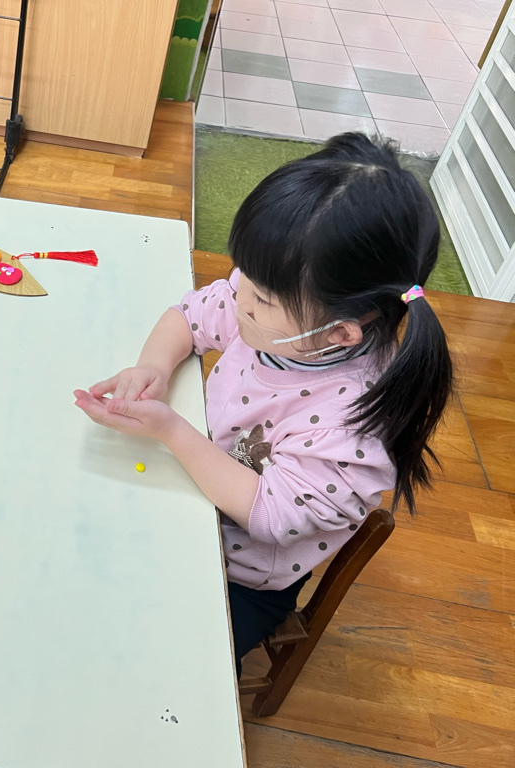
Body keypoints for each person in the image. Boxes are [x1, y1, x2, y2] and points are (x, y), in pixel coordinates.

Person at [74, 133, 453, 676]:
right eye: (243, 276)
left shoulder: (352, 426)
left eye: (259, 299)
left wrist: (173, 431)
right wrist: (153, 367)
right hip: (188, 496)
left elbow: (272, 516)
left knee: (154, 667)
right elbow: (189, 316)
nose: (237, 296)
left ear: (340, 333)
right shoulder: (279, 315)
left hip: (241, 575)